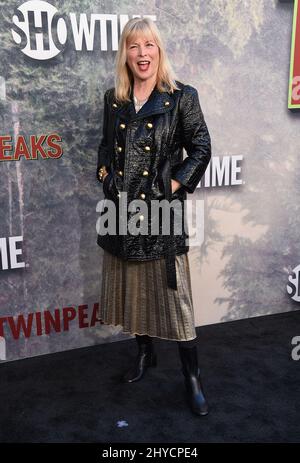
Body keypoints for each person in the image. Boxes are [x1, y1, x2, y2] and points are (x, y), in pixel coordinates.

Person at [96, 17, 211, 416]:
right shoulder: (115, 97)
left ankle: (192, 378)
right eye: (133, 46)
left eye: (148, 45)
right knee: (134, 291)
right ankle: (145, 354)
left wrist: (171, 188)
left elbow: (200, 149)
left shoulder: (181, 97)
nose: (142, 53)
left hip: (161, 214)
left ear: (158, 50)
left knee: (176, 302)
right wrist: (107, 178)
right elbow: (105, 148)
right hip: (122, 213)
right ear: (125, 54)